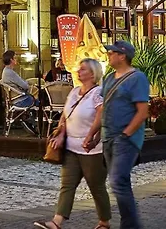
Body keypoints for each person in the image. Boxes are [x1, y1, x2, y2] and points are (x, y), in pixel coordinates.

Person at [35, 58, 110, 229]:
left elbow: (101, 115)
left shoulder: (97, 93)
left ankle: (104, 222)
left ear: (92, 74)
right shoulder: (74, 91)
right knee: (67, 185)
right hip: (71, 148)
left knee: (96, 187)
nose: (78, 71)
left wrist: (90, 135)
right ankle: (56, 222)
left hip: (91, 150)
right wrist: (61, 134)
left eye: (83, 69)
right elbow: (65, 115)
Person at [85, 40, 149, 229]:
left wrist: (126, 134)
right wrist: (94, 136)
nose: (109, 55)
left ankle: (131, 226)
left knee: (117, 181)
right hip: (108, 138)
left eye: (112, 52)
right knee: (121, 183)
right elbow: (105, 109)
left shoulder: (137, 78)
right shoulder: (109, 78)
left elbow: (142, 112)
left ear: (122, 56)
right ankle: (129, 223)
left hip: (125, 139)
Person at [1, 50, 38, 135]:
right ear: (11, 59)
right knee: (41, 101)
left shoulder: (6, 71)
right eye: (15, 57)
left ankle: (29, 121)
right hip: (21, 100)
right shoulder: (10, 73)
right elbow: (25, 86)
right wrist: (27, 84)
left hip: (15, 99)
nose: (17, 59)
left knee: (37, 100)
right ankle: (36, 124)